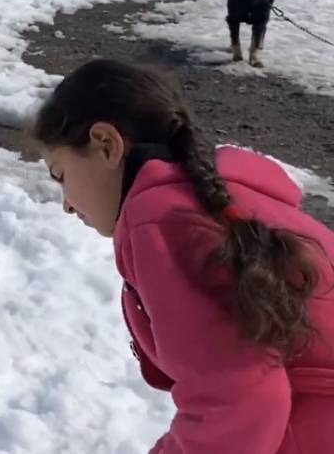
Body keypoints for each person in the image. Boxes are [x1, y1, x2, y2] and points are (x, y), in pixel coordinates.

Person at [31, 58, 334, 454]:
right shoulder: (213, 199)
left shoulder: (163, 222)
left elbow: (237, 401)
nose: (66, 205)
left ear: (106, 144)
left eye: (61, 175)